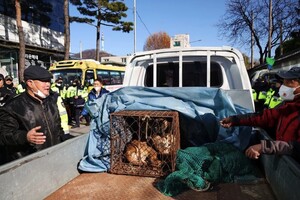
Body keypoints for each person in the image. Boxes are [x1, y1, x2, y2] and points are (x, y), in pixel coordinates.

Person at [220, 66, 300, 160]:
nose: (284, 86)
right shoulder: (287, 105)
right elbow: (265, 117)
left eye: (289, 82)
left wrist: (265, 147)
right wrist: (235, 120)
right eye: (284, 82)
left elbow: (296, 147)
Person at [0, 65, 65, 165]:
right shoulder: (13, 107)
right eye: (43, 81)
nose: (48, 84)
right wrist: (25, 136)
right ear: (30, 83)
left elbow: (58, 129)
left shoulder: (51, 102)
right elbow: (4, 136)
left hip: (54, 159)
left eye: (48, 81)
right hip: (29, 164)